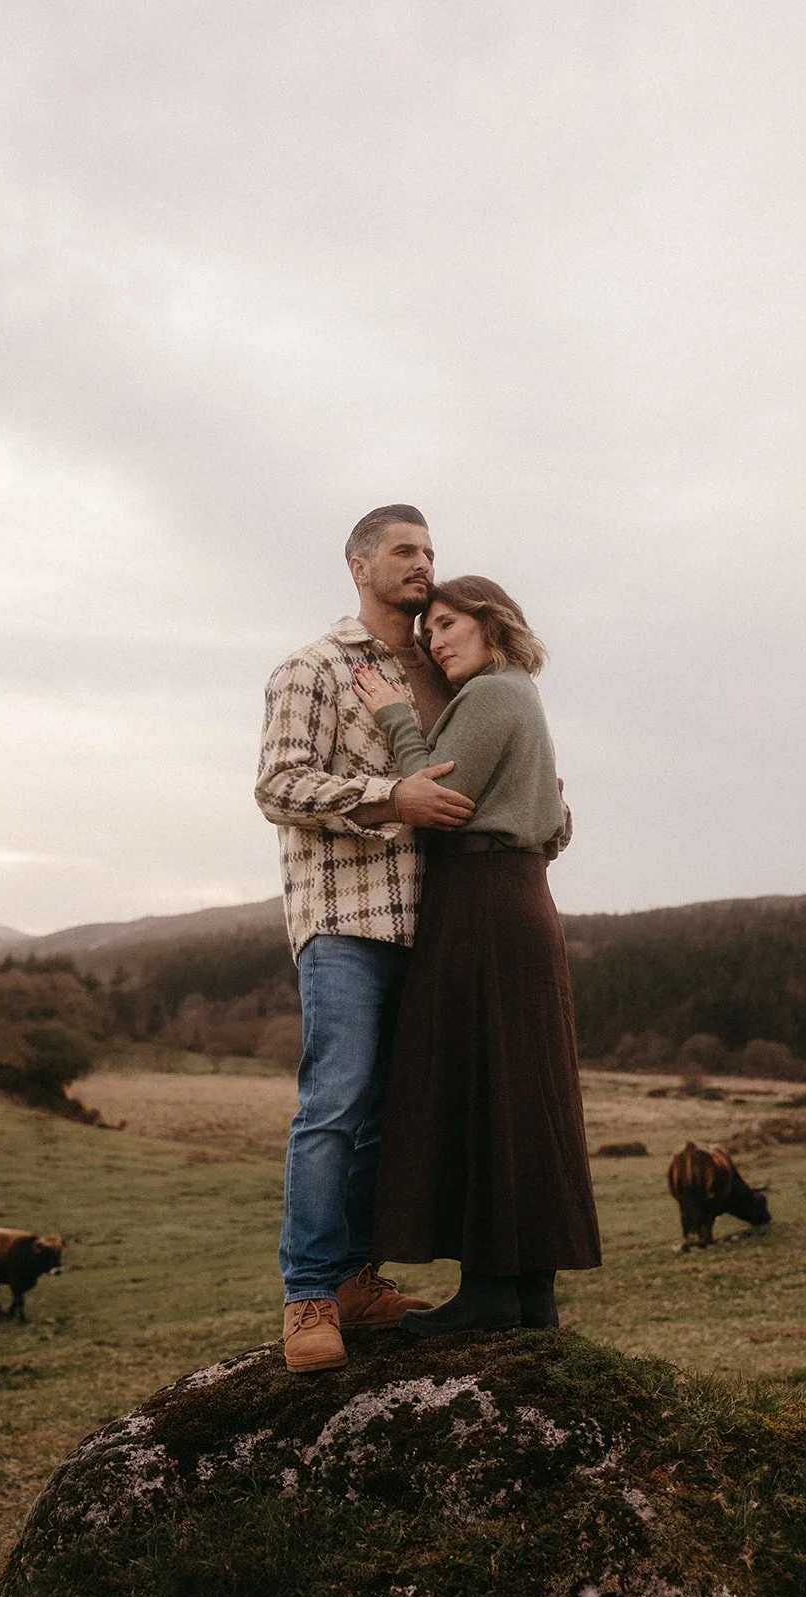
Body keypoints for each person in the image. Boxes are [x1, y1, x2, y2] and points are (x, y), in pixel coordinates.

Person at [255, 506, 476, 1373]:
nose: (422, 564)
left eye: (429, 551)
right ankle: (307, 1297)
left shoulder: (447, 669)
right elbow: (277, 784)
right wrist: (391, 799)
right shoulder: (313, 667)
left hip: (436, 925)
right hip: (345, 917)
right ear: (358, 565)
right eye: (404, 550)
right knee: (335, 1104)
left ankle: (355, 1281)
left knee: (388, 1114)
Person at [352, 576, 601, 1335]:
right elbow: (549, 823)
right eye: (427, 629)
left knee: (484, 1081)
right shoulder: (518, 695)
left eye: (449, 623)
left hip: (483, 898)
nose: (433, 638)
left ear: (493, 625)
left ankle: (492, 1296)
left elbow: (437, 796)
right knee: (521, 1091)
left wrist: (394, 715)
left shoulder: (495, 694)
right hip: (512, 894)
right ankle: (528, 1297)